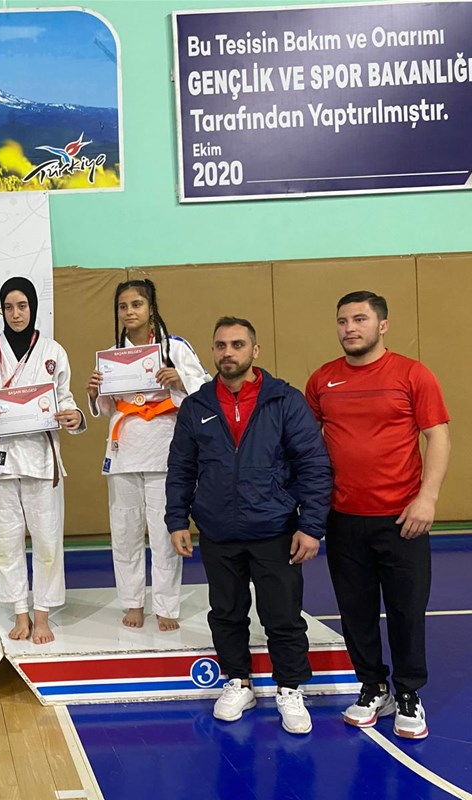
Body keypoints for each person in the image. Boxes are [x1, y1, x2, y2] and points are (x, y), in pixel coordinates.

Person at [166, 317, 332, 735]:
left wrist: (311, 525)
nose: (228, 352)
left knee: (283, 616)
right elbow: (181, 468)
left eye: (237, 344)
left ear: (254, 351)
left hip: (274, 529)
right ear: (213, 351)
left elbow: (314, 464)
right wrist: (177, 519)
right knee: (226, 613)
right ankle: (238, 682)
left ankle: (290, 688)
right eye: (221, 345)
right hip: (218, 530)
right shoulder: (197, 406)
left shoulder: (284, 400)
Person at [306, 291, 449, 740]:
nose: (350, 328)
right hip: (343, 519)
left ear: (382, 325)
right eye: (343, 320)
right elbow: (307, 445)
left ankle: (408, 693)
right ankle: (373, 687)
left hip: (403, 519)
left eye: (360, 319)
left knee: (407, 611)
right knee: (356, 612)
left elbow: (438, 437)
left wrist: (427, 499)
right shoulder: (322, 379)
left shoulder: (412, 374)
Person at [0, 278, 85, 645]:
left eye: (22, 306)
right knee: (5, 538)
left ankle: (43, 613)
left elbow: (65, 397)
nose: (16, 314)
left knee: (47, 538)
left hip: (41, 458)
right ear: (1, 311)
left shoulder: (53, 351)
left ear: (33, 307)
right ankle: (20, 610)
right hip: (1, 459)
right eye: (9, 307)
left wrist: (74, 415)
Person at [86, 278, 208, 632]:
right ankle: (133, 602)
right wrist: (94, 391)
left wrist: (180, 379)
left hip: (165, 450)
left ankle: (166, 605)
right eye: (123, 306)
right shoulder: (112, 355)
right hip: (124, 451)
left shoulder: (175, 347)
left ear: (151, 308)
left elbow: (205, 389)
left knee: (164, 532)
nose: (129, 312)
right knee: (125, 532)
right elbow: (106, 408)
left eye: (137, 304)